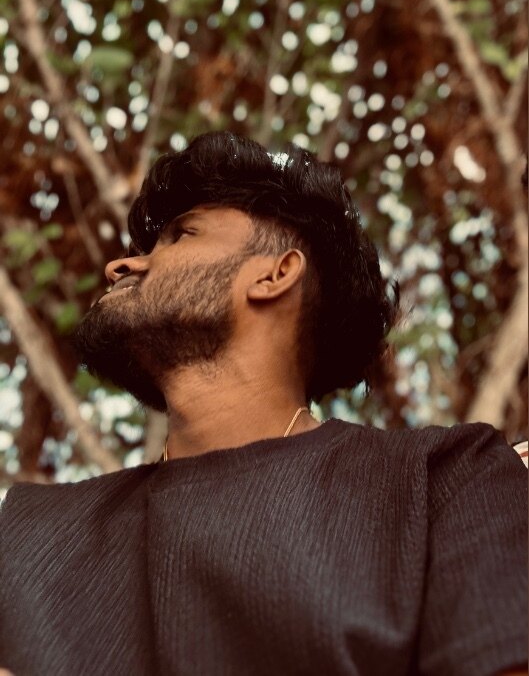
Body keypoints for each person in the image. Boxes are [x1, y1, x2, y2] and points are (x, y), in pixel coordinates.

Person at [0, 131, 526, 676]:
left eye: (181, 235)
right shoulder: (31, 533)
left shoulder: (445, 481)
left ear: (276, 274)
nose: (120, 266)